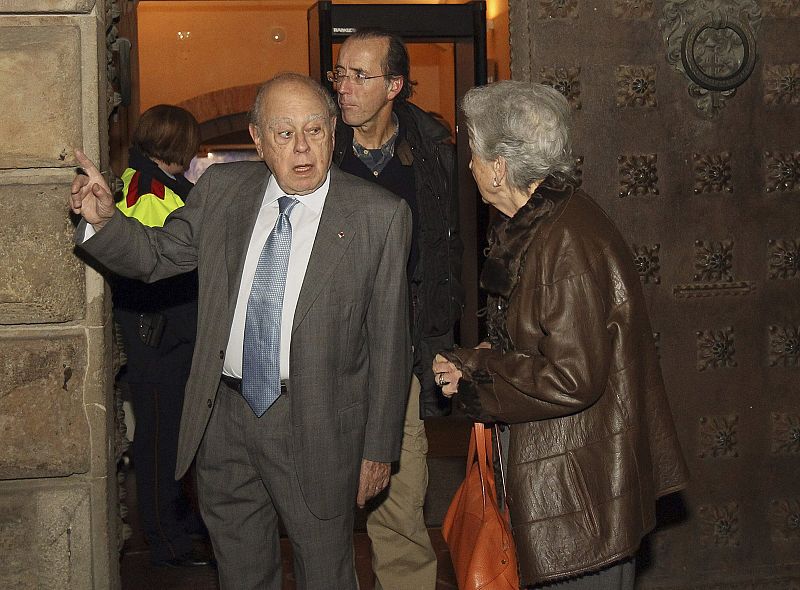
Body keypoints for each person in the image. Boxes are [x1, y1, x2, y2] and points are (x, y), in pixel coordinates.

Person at [70, 72, 412, 590]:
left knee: (326, 573)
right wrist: (104, 220)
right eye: (284, 133)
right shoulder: (223, 191)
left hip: (316, 424)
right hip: (224, 420)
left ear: (333, 131)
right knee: (241, 573)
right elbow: (156, 255)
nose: (302, 148)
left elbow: (390, 346)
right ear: (257, 138)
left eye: (314, 130)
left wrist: (379, 450)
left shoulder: (377, 216)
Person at [433, 81, 689, 589]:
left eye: (474, 153)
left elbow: (572, 377)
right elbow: (550, 339)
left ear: (500, 167)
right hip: (568, 481)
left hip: (578, 505)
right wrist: (487, 354)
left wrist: (479, 372)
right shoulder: (541, 224)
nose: (470, 166)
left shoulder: (565, 240)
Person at [330, 28, 464, 590]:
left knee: (400, 503)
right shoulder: (318, 146)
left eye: (360, 76)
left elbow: (450, 254)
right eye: (340, 74)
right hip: (323, 351)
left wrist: (442, 337)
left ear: (394, 86)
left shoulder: (434, 152)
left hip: (398, 352)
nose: (343, 87)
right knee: (321, 508)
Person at [111, 104, 209, 568]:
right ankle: (165, 541)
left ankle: (180, 524)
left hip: (169, 335)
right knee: (159, 444)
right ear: (180, 144)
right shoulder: (148, 191)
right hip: (160, 339)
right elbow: (151, 269)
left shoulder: (159, 185)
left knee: (174, 440)